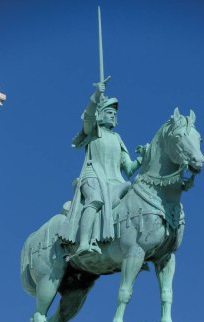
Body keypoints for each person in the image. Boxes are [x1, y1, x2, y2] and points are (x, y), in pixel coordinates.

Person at [61, 79, 145, 255]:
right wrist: (97, 95)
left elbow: (128, 169)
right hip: (92, 176)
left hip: (114, 182)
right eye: (109, 112)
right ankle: (83, 242)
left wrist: (142, 158)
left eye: (115, 113)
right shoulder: (93, 130)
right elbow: (89, 116)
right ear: (100, 115)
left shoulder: (117, 138)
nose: (114, 115)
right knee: (95, 200)